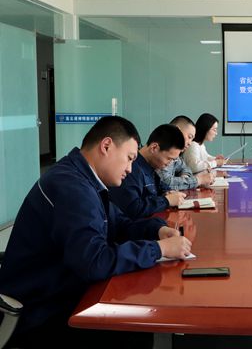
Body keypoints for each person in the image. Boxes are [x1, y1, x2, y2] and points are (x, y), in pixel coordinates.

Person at [0, 116, 192, 348]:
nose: (130, 169)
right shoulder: (71, 187)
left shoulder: (83, 178)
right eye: (129, 158)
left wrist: (157, 230)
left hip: (63, 289)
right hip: (42, 310)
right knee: (137, 333)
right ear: (106, 146)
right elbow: (94, 262)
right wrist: (158, 249)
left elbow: (119, 223)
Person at [109, 124, 186, 219]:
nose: (169, 164)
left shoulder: (149, 167)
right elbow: (133, 209)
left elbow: (161, 186)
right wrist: (166, 201)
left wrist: (169, 192)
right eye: (169, 159)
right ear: (154, 148)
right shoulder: (130, 169)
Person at [156, 115, 214, 190]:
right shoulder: (161, 149)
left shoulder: (176, 155)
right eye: (189, 137)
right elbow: (166, 183)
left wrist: (185, 179)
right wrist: (199, 180)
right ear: (177, 130)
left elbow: (186, 169)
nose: (190, 143)